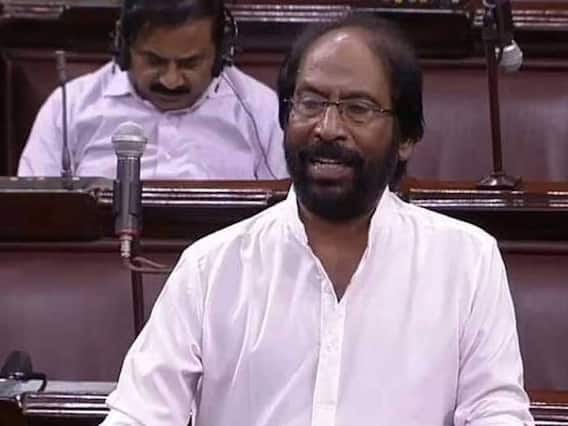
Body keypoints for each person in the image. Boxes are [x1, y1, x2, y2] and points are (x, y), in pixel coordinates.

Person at [101, 15, 533, 426]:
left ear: (406, 137)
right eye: (310, 103)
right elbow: (141, 412)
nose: (327, 128)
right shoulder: (210, 267)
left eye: (358, 108)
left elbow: (495, 410)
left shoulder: (465, 260)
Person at [17, 0, 287, 180]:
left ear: (220, 55)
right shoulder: (69, 106)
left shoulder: (261, 110)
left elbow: (284, 218)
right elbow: (35, 212)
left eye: (190, 63)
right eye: (154, 61)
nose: (171, 81)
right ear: (124, 50)